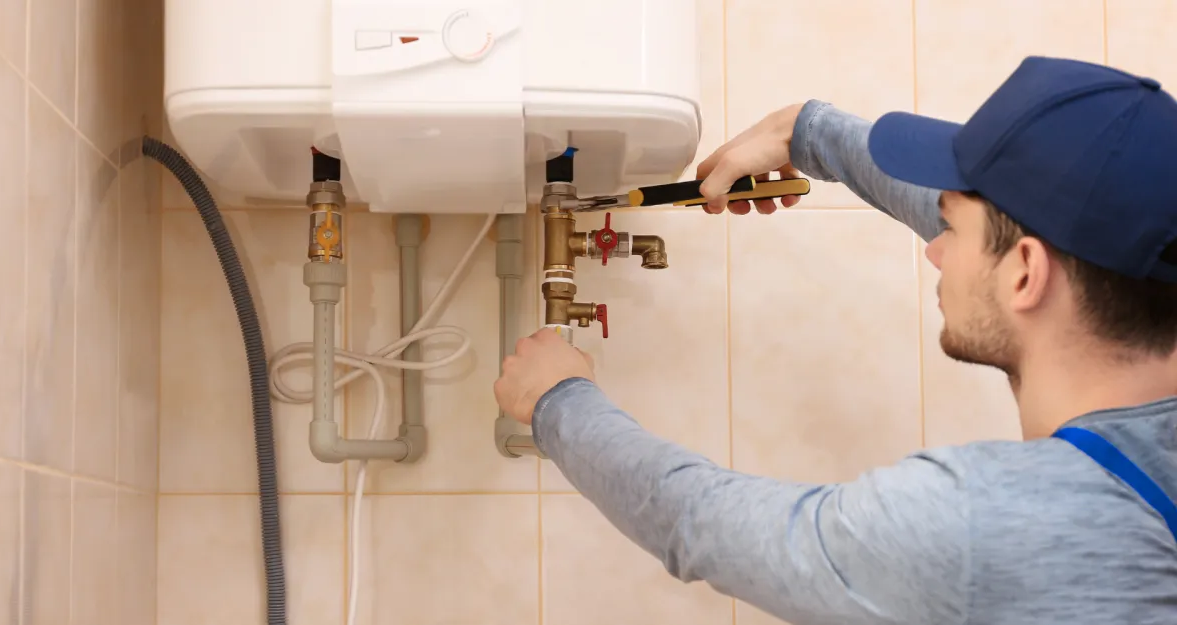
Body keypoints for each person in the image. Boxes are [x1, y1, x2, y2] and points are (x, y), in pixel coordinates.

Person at [493, 56, 1177, 624]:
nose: (936, 252)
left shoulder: (981, 525)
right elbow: (1014, 232)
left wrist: (559, 403)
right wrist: (808, 133)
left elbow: (699, 523)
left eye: (953, 229)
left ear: (1026, 272)